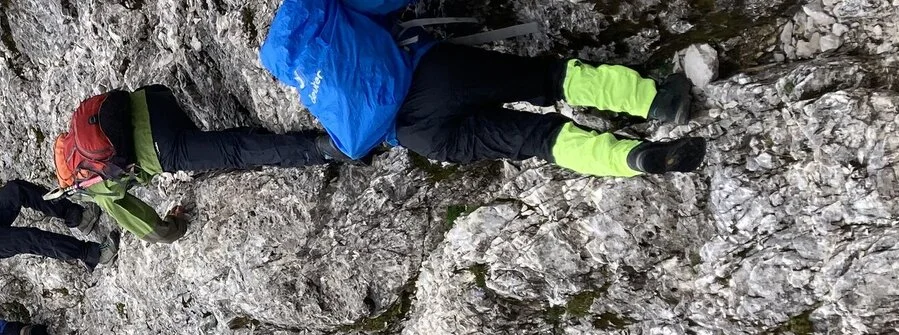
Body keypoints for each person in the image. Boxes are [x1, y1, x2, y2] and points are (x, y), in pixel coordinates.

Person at [259, 0, 707, 178]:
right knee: (548, 80)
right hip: (435, 75)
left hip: (419, 137)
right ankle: (656, 100)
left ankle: (633, 159)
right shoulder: (329, 10)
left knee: (536, 140)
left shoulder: (293, 68)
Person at [52, 85, 349, 242]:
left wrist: (177, 222)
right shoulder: (78, 135)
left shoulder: (94, 188)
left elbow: (156, 232)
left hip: (163, 146)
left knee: (235, 152)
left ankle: (323, 149)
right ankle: (267, 139)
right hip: (154, 99)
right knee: (215, 146)